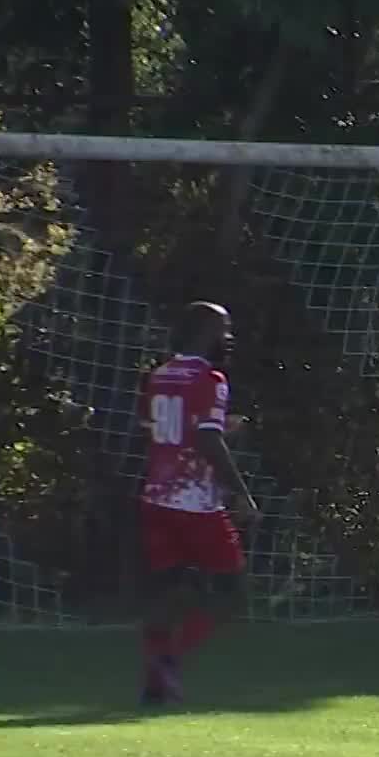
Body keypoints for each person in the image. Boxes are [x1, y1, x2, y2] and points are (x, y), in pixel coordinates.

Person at [136, 301, 259, 705]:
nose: (229, 338)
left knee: (165, 591)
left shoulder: (159, 375)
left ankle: (155, 677)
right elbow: (206, 439)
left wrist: (219, 428)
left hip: (157, 497)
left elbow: (162, 431)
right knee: (232, 593)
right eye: (224, 329)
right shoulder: (211, 378)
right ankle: (170, 659)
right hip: (196, 502)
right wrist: (240, 492)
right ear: (204, 332)